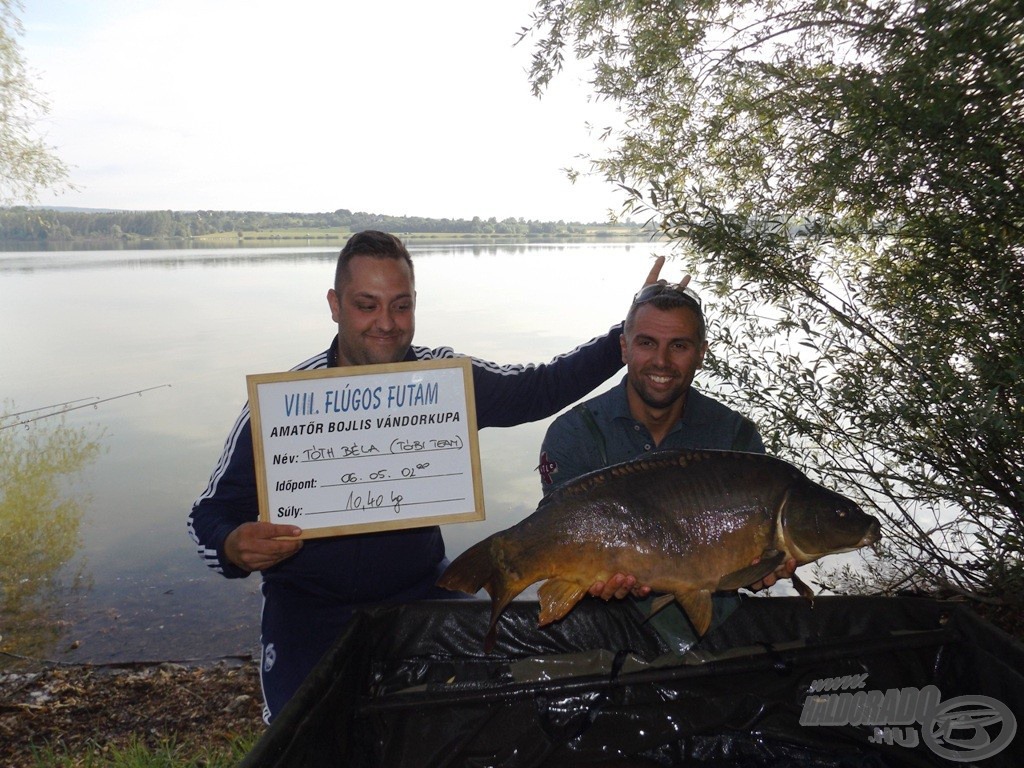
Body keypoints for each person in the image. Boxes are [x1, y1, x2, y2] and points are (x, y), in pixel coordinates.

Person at [188, 231, 663, 721]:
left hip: (420, 596)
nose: (387, 324)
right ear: (334, 305)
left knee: (451, 733)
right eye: (366, 305)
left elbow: (538, 389)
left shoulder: (445, 382)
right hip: (307, 612)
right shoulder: (284, 404)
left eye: (401, 306)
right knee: (307, 741)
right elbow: (208, 514)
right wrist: (232, 545)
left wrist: (622, 339)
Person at [536, 274, 794, 645]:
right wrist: (588, 577)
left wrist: (761, 572)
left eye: (679, 346)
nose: (661, 361)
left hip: (714, 627)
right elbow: (554, 533)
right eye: (646, 343)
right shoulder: (574, 433)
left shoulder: (735, 438)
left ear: (701, 353)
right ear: (624, 348)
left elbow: (750, 567)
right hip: (601, 626)